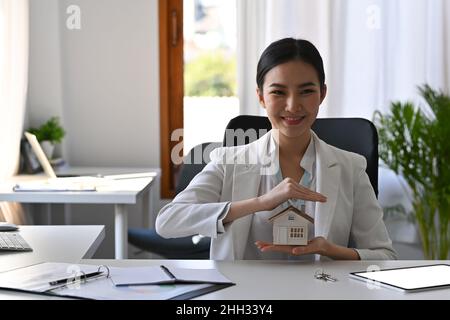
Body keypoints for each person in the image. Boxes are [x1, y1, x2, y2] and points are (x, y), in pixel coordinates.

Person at [156, 38, 397, 261]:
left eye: (306, 91)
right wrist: (260, 202)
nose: (293, 106)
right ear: (261, 97)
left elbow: (385, 255)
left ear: (322, 94)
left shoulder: (351, 167)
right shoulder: (228, 161)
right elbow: (168, 221)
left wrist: (329, 249)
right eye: (278, 92)